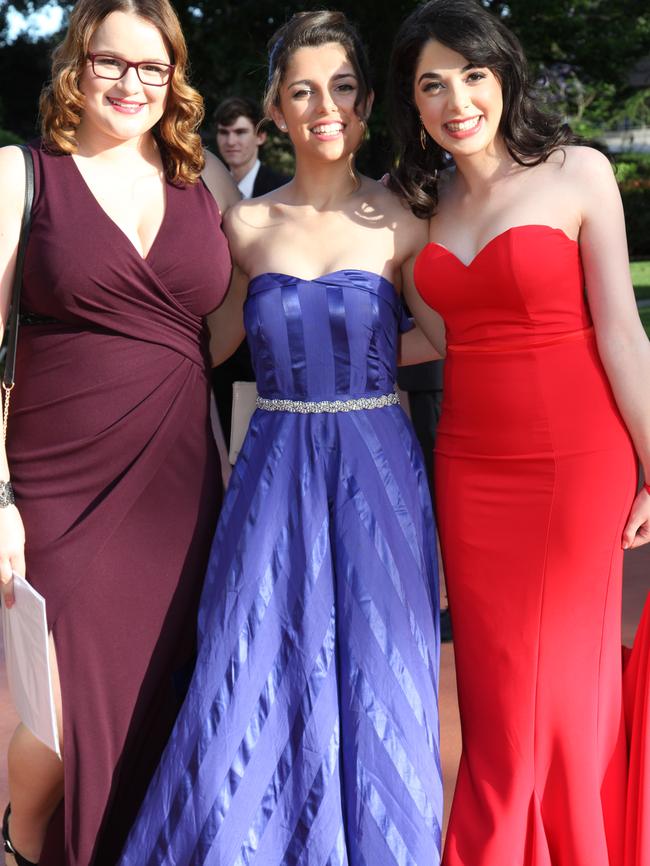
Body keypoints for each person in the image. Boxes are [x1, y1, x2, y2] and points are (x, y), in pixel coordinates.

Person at [119, 11, 444, 866]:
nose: (323, 106)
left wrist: (359, 367)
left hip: (376, 467)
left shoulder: (404, 216)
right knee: (251, 651)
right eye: (302, 90)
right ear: (275, 108)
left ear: (367, 103)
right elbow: (206, 344)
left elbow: (449, 338)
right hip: (272, 466)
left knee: (378, 665)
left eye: (341, 88)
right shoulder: (246, 227)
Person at [388, 1, 650, 864]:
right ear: (415, 104)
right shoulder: (420, 206)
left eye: (471, 74)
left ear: (502, 77)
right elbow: (443, 336)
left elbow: (621, 333)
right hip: (468, 468)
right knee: (499, 692)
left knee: (565, 689)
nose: (456, 98)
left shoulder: (579, 172)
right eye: (432, 84)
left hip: (579, 463)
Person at [0, 0, 238, 863]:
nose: (131, 83)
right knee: (61, 712)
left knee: (157, 701)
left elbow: (234, 318)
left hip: (177, 481)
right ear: (76, 62)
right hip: (54, 480)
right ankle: (22, 837)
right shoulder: (22, 173)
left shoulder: (200, 179)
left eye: (153, 68)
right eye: (111, 62)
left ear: (174, 79)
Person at [212, 97, 289, 447]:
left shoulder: (283, 190)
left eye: (241, 132)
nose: (232, 141)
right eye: (224, 133)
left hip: (272, 340)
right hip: (219, 344)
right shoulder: (204, 190)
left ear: (259, 137)